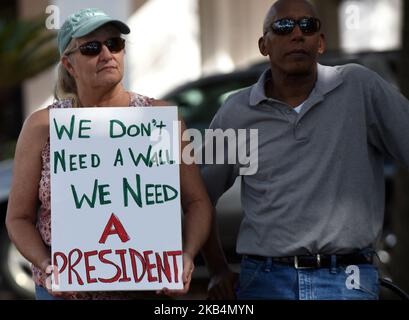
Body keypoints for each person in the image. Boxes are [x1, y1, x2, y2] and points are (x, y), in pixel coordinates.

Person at [200, 0, 409, 300]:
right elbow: (200, 198)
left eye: (307, 26)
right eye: (284, 27)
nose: (297, 34)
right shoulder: (237, 112)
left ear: (320, 42)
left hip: (348, 281)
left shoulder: (359, 87)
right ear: (264, 45)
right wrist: (218, 269)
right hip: (266, 281)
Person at [6, 8, 212, 300]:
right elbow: (17, 218)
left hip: (143, 292)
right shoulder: (42, 126)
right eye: (92, 48)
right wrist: (47, 265)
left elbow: (197, 202)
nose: (106, 54)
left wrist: (187, 256)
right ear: (69, 64)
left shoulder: (161, 118)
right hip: (64, 294)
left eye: (114, 44)